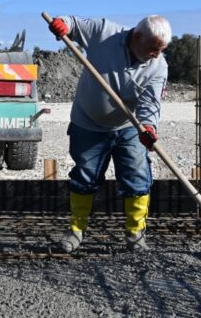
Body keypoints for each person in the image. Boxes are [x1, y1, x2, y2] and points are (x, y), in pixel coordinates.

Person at [48, 14, 171, 252]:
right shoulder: (104, 33)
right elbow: (72, 24)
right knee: (84, 177)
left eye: (161, 50)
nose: (156, 54)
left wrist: (148, 127)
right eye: (153, 48)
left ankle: (135, 235)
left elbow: (150, 103)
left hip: (129, 127)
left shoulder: (159, 66)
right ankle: (76, 231)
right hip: (87, 124)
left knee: (137, 178)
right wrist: (61, 24)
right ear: (137, 36)